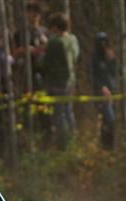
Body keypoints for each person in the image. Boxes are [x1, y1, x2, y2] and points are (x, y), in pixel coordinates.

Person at [42, 12, 72, 149]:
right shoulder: (71, 39)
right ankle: (72, 138)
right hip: (69, 80)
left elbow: (45, 63)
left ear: (55, 27)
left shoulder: (54, 43)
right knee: (68, 111)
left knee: (58, 113)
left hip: (57, 81)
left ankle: (63, 144)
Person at [91, 31, 117, 149]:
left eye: (104, 41)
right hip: (101, 93)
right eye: (100, 41)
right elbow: (92, 76)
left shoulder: (110, 56)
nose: (103, 44)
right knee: (108, 119)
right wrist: (101, 87)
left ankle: (110, 146)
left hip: (113, 92)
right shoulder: (94, 58)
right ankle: (106, 146)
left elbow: (115, 73)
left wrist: (112, 60)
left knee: (110, 121)